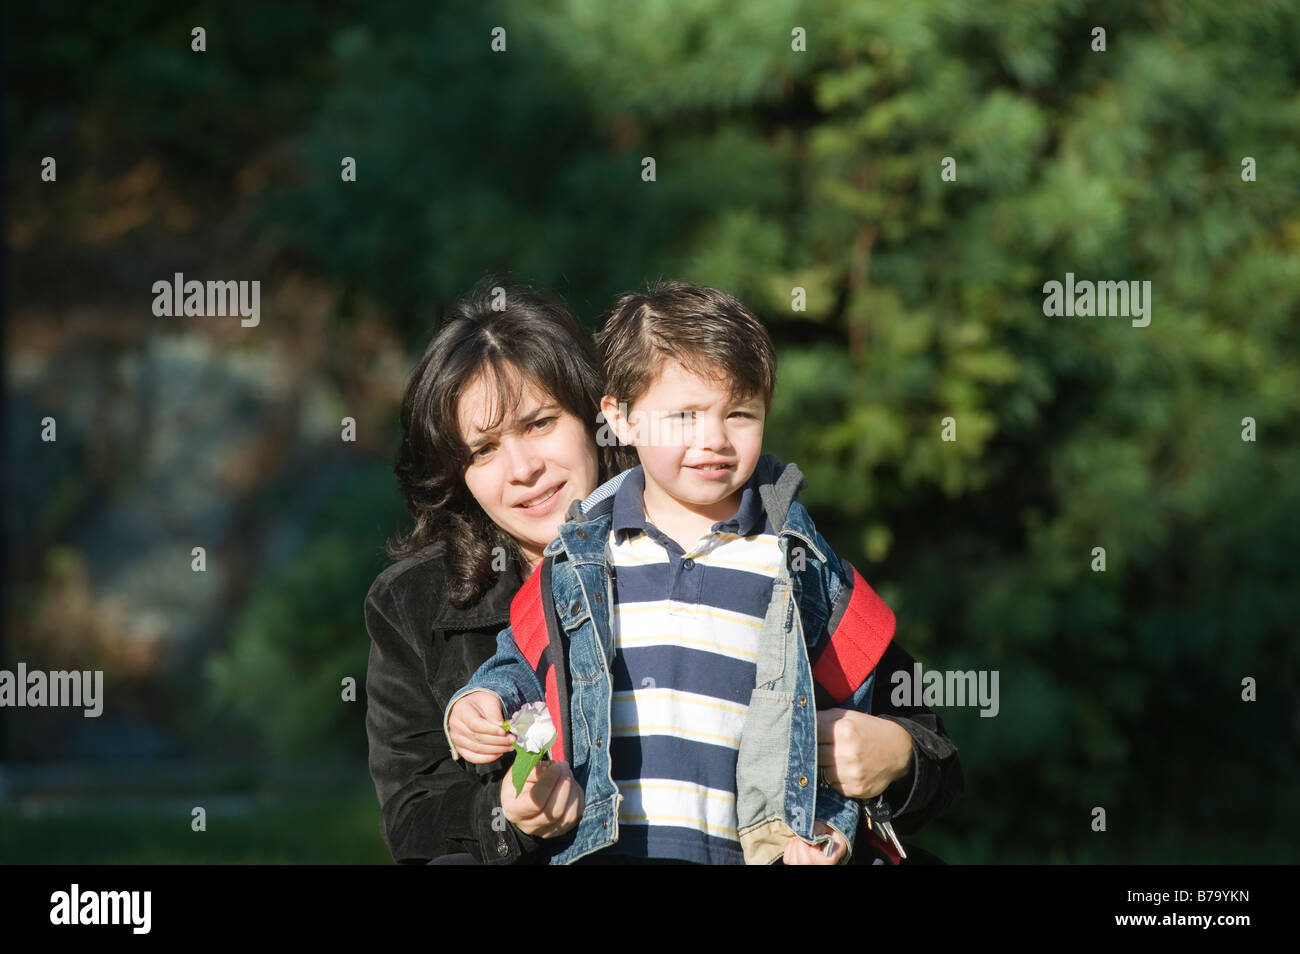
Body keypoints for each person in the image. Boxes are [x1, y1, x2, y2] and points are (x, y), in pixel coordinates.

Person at [366, 278, 962, 865]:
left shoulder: (770, 544)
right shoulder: (414, 601)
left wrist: (897, 757)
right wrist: (508, 819)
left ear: (599, 419)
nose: (522, 468)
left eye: (540, 423)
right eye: (484, 449)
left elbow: (931, 748)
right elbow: (416, 820)